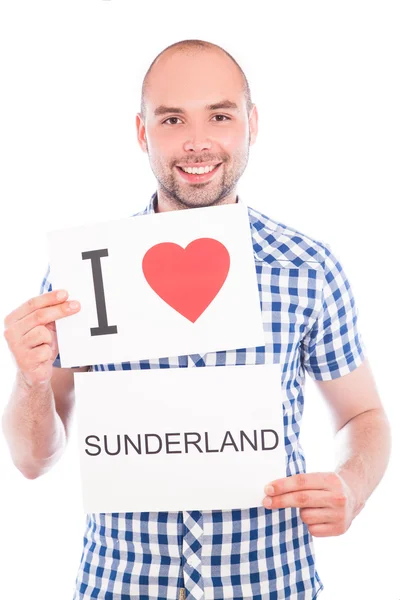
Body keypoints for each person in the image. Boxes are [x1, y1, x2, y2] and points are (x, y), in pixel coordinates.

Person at [2, 39, 391, 600]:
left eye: (220, 115)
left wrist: (352, 487)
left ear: (251, 123)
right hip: (120, 584)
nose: (197, 140)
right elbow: (32, 461)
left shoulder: (308, 268)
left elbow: (364, 414)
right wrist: (30, 380)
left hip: (270, 582)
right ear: (142, 133)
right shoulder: (85, 276)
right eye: (172, 119)